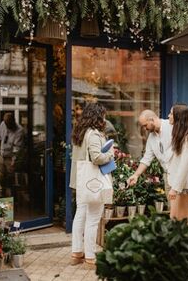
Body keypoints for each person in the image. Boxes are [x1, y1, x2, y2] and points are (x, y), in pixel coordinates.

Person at [127, 109, 188, 227]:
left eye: (145, 125)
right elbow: (147, 159)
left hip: (183, 176)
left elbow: (187, 157)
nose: (144, 129)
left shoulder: (172, 126)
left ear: (152, 119)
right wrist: (136, 175)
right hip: (169, 176)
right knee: (176, 209)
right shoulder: (151, 138)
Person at [70, 103, 114, 266]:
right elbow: (97, 158)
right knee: (93, 218)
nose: (105, 119)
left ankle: (76, 253)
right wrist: (110, 153)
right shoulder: (94, 134)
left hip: (82, 181)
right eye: (103, 115)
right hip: (93, 182)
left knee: (80, 214)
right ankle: (90, 256)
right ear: (98, 117)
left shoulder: (79, 133)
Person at [0, 112, 24, 197]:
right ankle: (2, 196)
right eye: (6, 124)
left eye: (9, 125)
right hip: (1, 154)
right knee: (1, 177)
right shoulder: (3, 124)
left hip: (11, 157)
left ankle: (11, 198)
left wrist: (14, 160)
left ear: (13, 121)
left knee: (10, 178)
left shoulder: (19, 130)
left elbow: (17, 148)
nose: (8, 127)